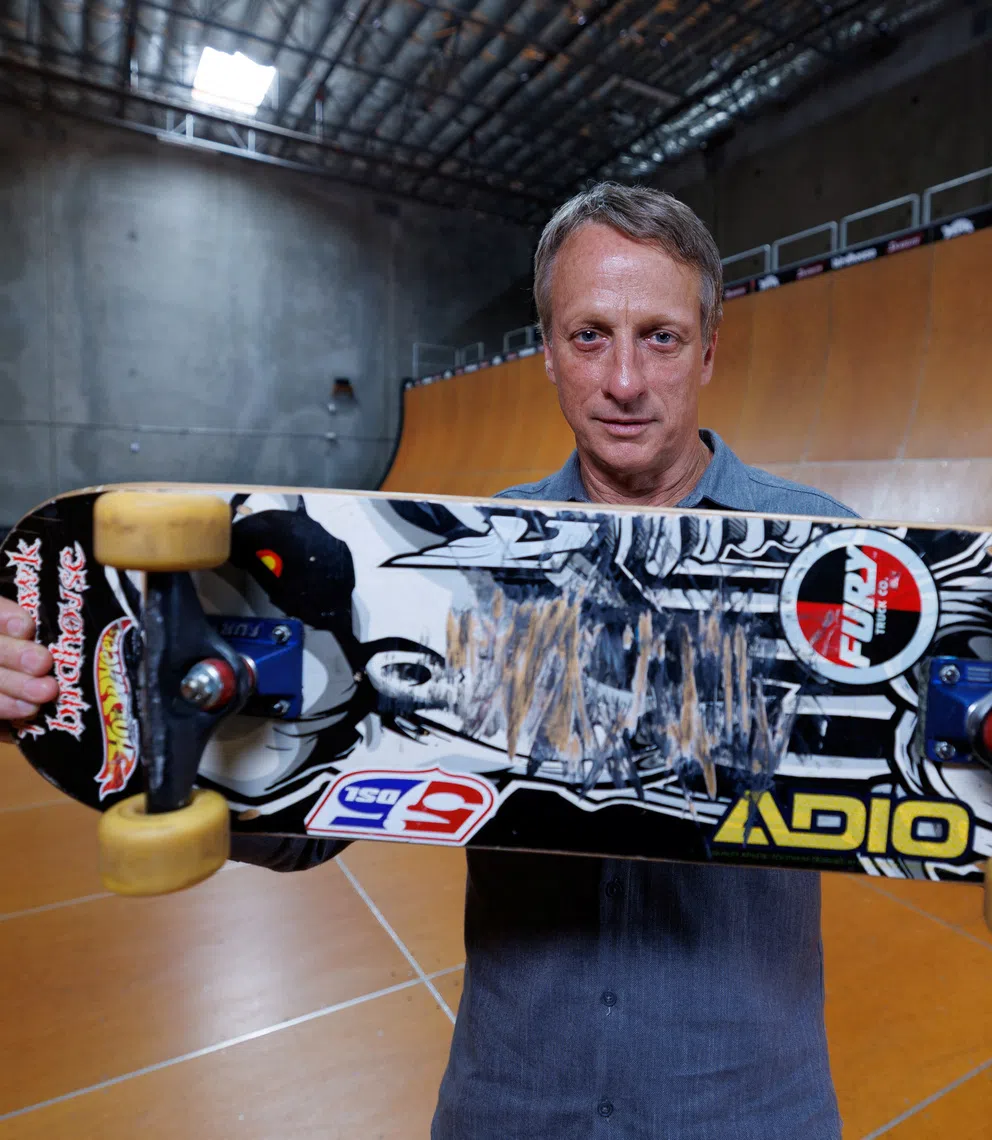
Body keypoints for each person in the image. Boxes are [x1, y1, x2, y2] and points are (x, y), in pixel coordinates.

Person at [0, 183, 854, 1138]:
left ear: (708, 349)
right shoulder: (460, 562)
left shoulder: (831, 557)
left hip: (743, 1105)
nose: (623, 380)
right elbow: (307, 820)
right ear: (545, 353)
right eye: (587, 336)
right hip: (518, 1100)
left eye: (658, 336)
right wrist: (81, 687)